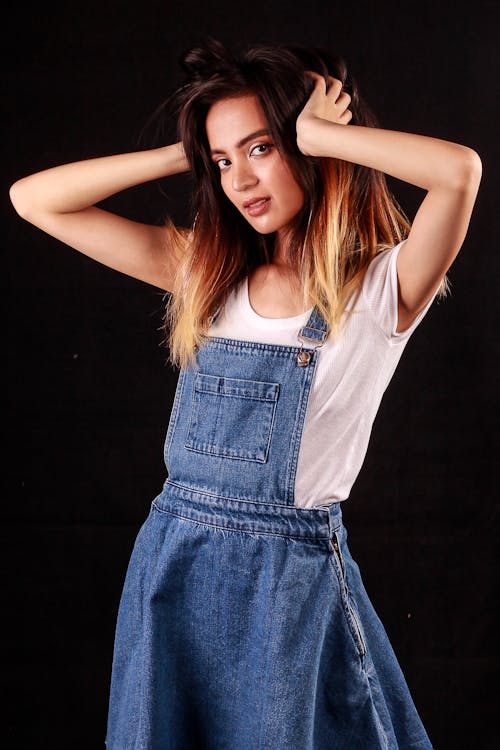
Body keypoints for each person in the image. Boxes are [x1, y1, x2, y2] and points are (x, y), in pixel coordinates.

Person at [9, 37, 481, 750]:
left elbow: (459, 172)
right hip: (173, 564)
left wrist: (323, 135)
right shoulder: (207, 273)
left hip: (284, 586)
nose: (239, 180)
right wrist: (187, 152)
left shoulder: (382, 291)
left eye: (261, 149)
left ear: (307, 144)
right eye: (223, 162)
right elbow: (34, 200)